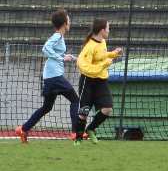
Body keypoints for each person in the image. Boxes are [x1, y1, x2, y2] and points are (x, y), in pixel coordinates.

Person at [16, 9, 79, 143]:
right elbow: (45, 48)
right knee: (75, 100)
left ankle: (23, 129)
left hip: (50, 77)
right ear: (64, 23)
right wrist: (60, 58)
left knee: (47, 107)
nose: (70, 21)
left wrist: (71, 58)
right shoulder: (57, 36)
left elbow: (57, 54)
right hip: (55, 77)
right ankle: (75, 133)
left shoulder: (59, 37)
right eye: (68, 19)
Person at [74, 19, 122, 146]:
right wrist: (104, 65)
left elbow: (102, 56)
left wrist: (113, 54)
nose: (109, 31)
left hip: (101, 81)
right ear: (102, 30)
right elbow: (84, 67)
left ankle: (90, 129)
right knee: (84, 112)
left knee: (107, 109)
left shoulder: (103, 42)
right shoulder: (89, 47)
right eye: (108, 28)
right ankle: (78, 139)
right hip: (88, 81)